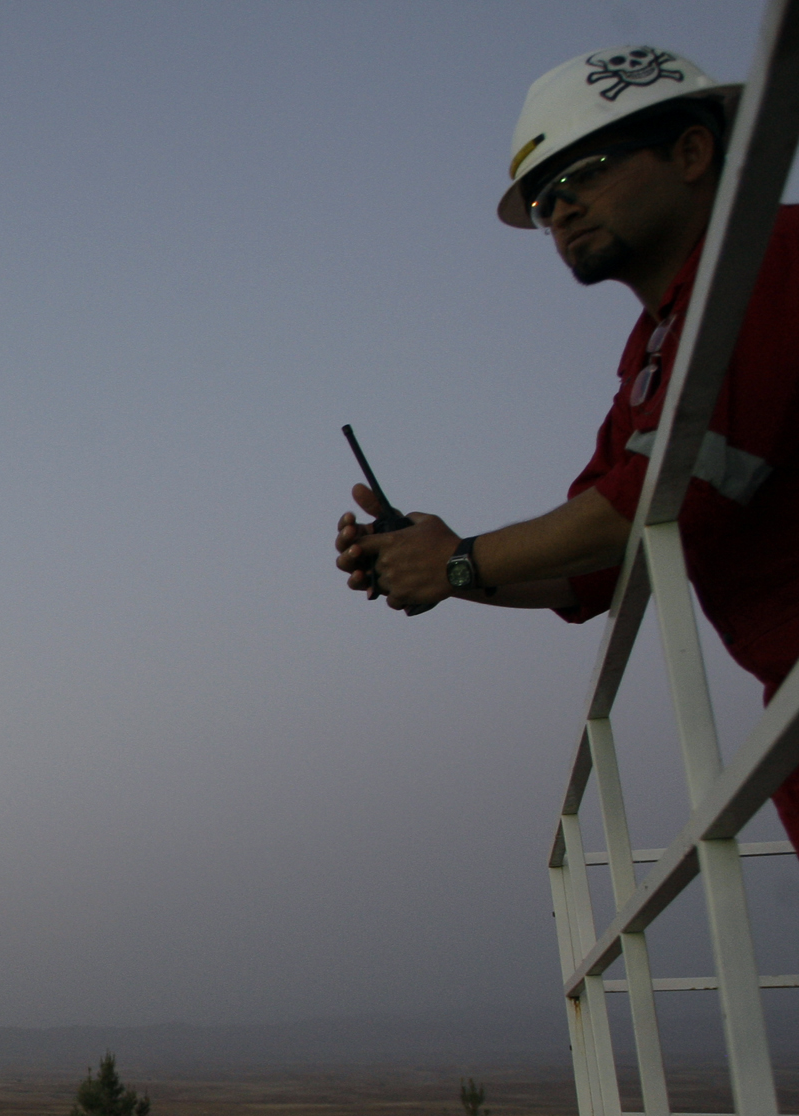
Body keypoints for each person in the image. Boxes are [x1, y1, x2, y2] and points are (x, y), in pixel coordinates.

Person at [335, 46, 799, 843]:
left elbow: (659, 497)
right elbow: (596, 565)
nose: (561, 211)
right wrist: (435, 563)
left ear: (692, 151)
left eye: (586, 172)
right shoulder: (652, 353)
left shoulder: (771, 257)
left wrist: (456, 561)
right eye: (546, 199)